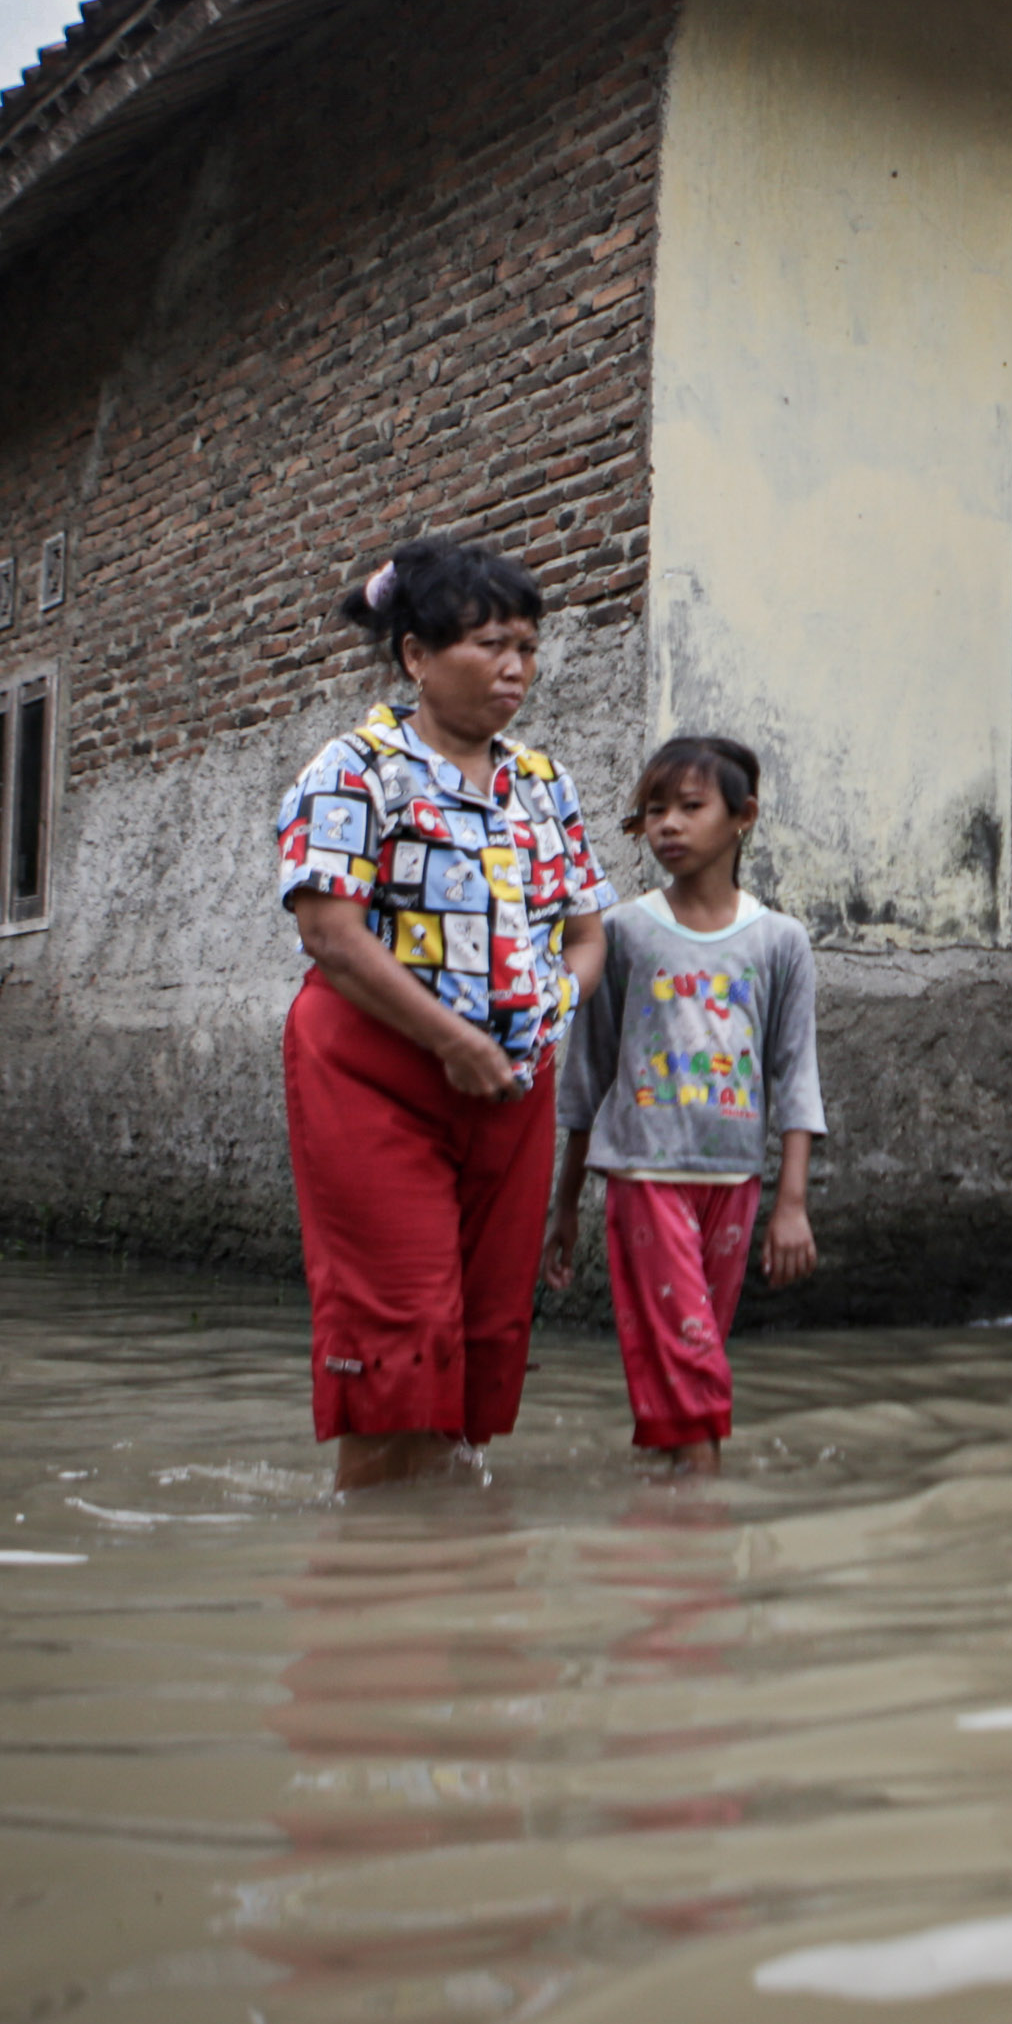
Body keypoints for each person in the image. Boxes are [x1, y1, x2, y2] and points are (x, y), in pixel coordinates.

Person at [274, 539, 612, 1492]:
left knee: (488, 1325)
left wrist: (552, 1003)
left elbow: (589, 936)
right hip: (375, 1077)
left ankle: (454, 1563)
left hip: (511, 1083)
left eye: (528, 646)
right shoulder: (354, 771)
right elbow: (331, 934)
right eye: (491, 644)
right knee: (400, 1321)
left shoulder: (544, 784)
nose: (516, 667)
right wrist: (452, 1039)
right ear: (417, 656)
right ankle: (379, 1567)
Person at [544, 734, 824, 1471]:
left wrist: (790, 1200)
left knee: (688, 1350)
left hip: (734, 1181)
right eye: (654, 809)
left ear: (743, 816)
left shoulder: (780, 941)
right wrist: (566, 1201)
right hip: (643, 1175)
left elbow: (795, 1073)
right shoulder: (626, 931)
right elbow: (590, 1070)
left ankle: (664, 1508)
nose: (667, 824)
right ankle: (704, 1508)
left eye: (689, 807)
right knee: (691, 1349)